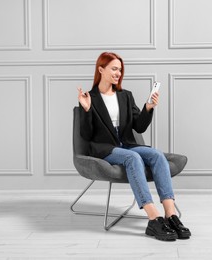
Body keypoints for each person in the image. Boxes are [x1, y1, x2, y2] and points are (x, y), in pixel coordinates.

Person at [77, 52, 191, 241]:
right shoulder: (91, 98)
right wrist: (87, 109)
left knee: (156, 154)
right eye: (114, 69)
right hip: (105, 149)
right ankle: (153, 219)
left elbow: (139, 126)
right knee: (133, 158)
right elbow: (86, 135)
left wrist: (148, 107)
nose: (118, 73)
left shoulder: (125, 96)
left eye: (120, 70)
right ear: (101, 69)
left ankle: (171, 215)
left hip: (127, 144)